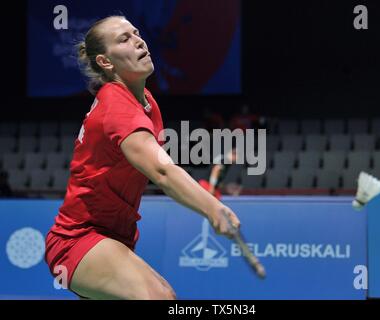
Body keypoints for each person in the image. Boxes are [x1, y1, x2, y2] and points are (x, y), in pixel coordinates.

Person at [44, 16, 240, 300]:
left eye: (136, 33)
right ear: (105, 62)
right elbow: (161, 173)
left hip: (117, 238)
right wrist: (212, 208)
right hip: (79, 240)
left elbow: (154, 162)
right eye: (124, 39)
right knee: (160, 297)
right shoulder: (118, 107)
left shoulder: (146, 101)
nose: (138, 40)